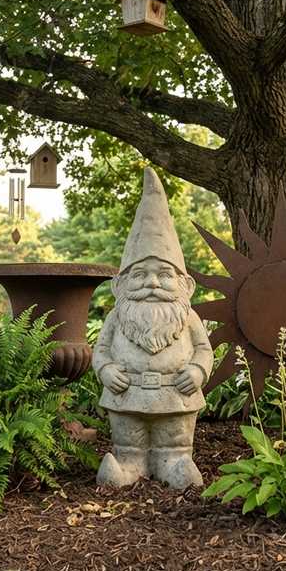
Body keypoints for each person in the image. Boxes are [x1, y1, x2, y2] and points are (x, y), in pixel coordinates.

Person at [93, 168, 213, 490]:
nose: (153, 283)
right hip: (127, 395)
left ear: (186, 285)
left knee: (174, 441)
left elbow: (203, 349)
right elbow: (101, 349)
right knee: (128, 441)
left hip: (176, 396)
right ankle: (128, 464)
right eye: (139, 275)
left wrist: (198, 371)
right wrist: (105, 370)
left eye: (164, 274)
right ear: (119, 285)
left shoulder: (188, 317)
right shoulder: (117, 317)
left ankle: (176, 462)